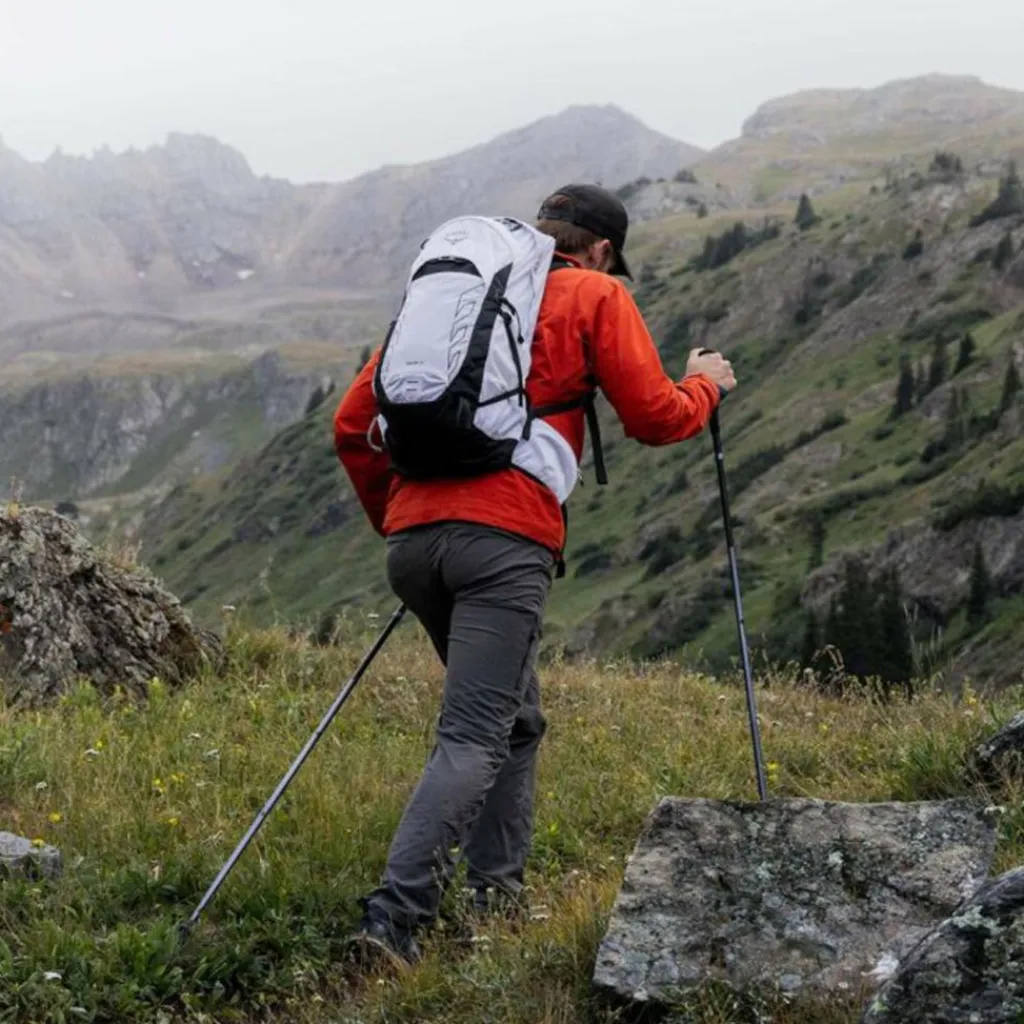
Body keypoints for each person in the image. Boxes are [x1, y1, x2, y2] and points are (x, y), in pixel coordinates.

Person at [333, 183, 737, 969]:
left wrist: (408, 517)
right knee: (474, 736)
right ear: (605, 251)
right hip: (504, 542)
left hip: (414, 540)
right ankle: (392, 922)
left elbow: (353, 424)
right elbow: (655, 418)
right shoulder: (594, 293)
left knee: (514, 722)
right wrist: (706, 387)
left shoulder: (466, 299)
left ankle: (498, 899)